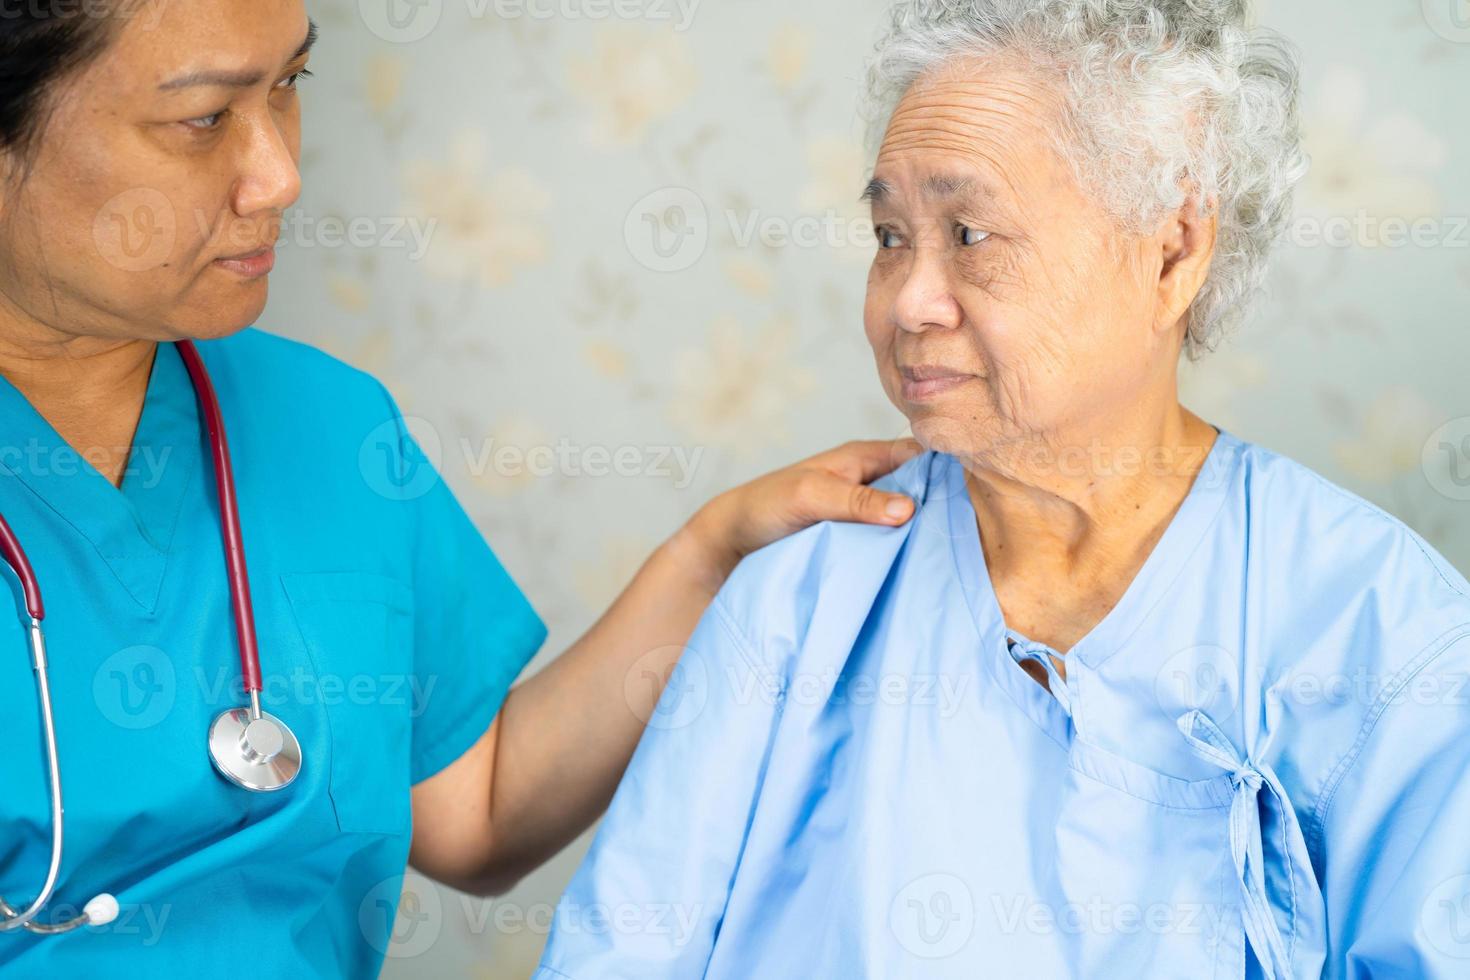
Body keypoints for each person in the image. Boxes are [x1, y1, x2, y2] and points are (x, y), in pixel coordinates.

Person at [533, 1, 1470, 977]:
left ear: (1172, 252)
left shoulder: (1385, 634)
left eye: (970, 232)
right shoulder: (797, 594)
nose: (907, 300)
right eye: (891, 234)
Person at [0, 1, 922, 975]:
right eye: (202, 119)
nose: (280, 176)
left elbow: (471, 810)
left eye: (289, 88)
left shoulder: (329, 426)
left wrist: (708, 557)